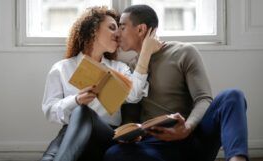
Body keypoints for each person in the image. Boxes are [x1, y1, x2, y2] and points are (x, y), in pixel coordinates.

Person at [104, 4, 249, 161]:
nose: (117, 33)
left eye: (122, 27)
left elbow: (204, 99)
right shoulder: (131, 69)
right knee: (114, 155)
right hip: (156, 146)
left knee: (232, 96)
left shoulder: (183, 52)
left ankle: (237, 159)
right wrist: (128, 133)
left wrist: (187, 127)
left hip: (192, 139)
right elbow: (131, 113)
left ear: (140, 29)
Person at [40, 6, 162, 161]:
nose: (118, 34)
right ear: (93, 30)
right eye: (112, 28)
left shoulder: (119, 68)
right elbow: (50, 111)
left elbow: (134, 96)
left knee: (82, 112)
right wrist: (75, 100)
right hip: (71, 133)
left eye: (119, 29)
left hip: (106, 135)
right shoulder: (61, 68)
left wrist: (145, 53)